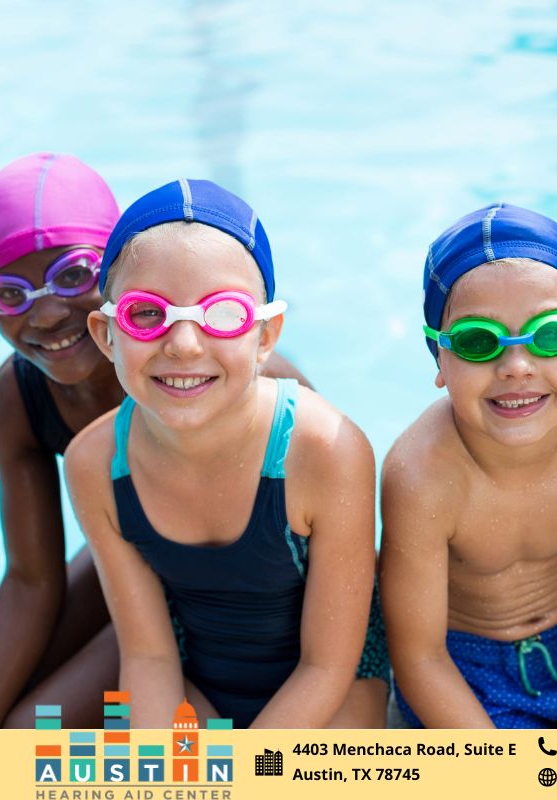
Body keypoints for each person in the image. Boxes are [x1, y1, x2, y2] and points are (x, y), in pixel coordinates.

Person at [0, 154, 311, 729]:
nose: (45, 313)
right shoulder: (17, 400)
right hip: (131, 566)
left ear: (117, 274)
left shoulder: (227, 380)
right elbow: (30, 578)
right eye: (10, 292)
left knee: (23, 734)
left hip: (231, 596)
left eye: (72, 275)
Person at [65, 179, 379, 728]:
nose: (184, 344)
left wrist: (241, 774)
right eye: (146, 314)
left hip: (332, 690)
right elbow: (148, 656)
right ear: (106, 333)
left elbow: (327, 667)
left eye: (223, 314)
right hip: (192, 680)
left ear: (265, 335)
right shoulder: (94, 465)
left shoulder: (325, 451)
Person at [380, 203, 557, 728]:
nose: (516, 366)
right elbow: (420, 655)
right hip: (466, 673)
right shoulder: (421, 476)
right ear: (438, 359)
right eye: (477, 341)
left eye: (550, 335)